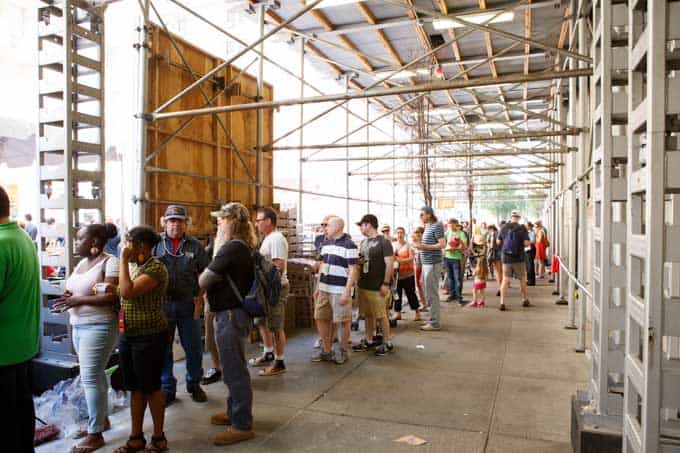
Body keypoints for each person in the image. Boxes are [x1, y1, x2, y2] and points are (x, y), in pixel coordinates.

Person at [53, 224, 120, 453]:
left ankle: (95, 435)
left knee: (90, 378)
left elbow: (112, 297)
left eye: (80, 238)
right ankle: (101, 420)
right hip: (79, 325)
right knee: (95, 375)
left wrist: (78, 301)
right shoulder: (82, 263)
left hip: (99, 326)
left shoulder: (109, 262)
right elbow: (79, 291)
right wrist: (69, 297)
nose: (75, 242)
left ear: (94, 243)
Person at [199, 202, 257, 446]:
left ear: (232, 221)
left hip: (230, 315)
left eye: (221, 219)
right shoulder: (245, 246)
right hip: (236, 314)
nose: (218, 223)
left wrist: (211, 276)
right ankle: (235, 413)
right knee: (235, 366)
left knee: (234, 370)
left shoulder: (231, 248)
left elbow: (204, 280)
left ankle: (242, 424)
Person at [115, 226, 169, 453]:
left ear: (143, 246)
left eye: (130, 242)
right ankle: (136, 437)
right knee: (135, 388)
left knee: (151, 387)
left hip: (150, 336)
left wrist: (121, 262)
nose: (126, 245)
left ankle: (159, 438)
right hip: (129, 334)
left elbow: (127, 292)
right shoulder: (134, 265)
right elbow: (122, 288)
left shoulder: (156, 268)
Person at [152, 205, 209, 405]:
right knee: (163, 348)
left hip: (188, 304)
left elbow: (205, 274)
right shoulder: (155, 245)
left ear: (186, 223)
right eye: (172, 220)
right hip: (162, 306)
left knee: (193, 347)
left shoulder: (195, 246)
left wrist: (199, 299)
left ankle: (194, 384)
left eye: (180, 220)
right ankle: (168, 388)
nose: (175, 224)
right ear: (164, 222)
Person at [0, 186, 40, 453]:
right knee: (20, 411)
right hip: (22, 346)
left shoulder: (1, 244)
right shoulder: (21, 237)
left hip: (3, 350)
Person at [249, 207, 290, 377]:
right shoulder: (266, 239)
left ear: (268, 221)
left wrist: (271, 290)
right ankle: (268, 353)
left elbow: (278, 266)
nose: (256, 223)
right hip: (263, 289)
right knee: (261, 322)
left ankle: (279, 362)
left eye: (259, 220)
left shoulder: (276, 239)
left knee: (275, 325)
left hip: (275, 288)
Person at [313, 216, 358, 364]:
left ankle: (343, 351)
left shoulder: (349, 245)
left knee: (343, 320)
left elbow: (353, 270)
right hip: (324, 287)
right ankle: (327, 350)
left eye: (328, 225)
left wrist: (347, 291)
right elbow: (322, 266)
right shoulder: (326, 243)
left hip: (340, 289)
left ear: (338, 227)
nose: (325, 228)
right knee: (320, 317)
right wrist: (318, 287)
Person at [351, 214, 395, 355]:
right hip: (364, 284)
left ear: (368, 225)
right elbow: (361, 260)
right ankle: (369, 340)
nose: (361, 228)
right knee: (368, 315)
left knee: (381, 315)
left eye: (362, 225)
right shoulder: (363, 243)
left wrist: (386, 283)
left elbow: (389, 264)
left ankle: (387, 342)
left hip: (378, 286)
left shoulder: (384, 242)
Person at [413, 206, 446, 331]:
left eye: (422, 214)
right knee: (428, 291)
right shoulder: (428, 226)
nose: (420, 217)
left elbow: (442, 244)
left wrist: (424, 247)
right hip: (427, 263)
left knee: (432, 293)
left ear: (429, 215)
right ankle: (432, 319)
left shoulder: (437, 225)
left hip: (432, 263)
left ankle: (434, 322)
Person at [201, 216, 224, 385]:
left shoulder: (239, 245)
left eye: (222, 220)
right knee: (210, 336)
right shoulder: (213, 246)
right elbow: (203, 268)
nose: (219, 224)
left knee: (231, 337)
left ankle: (232, 368)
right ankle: (217, 367)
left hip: (233, 300)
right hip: (212, 297)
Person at [497, 211, 531, 311]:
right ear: (518, 218)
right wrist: (527, 243)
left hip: (506, 258)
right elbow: (526, 243)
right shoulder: (522, 228)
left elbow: (498, 242)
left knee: (505, 279)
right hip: (519, 258)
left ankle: (502, 302)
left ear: (510, 217)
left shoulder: (504, 227)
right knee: (522, 279)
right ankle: (524, 299)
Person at [392, 226, 420, 322]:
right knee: (397, 295)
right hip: (397, 275)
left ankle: (417, 312)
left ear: (404, 234)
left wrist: (400, 260)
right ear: (395, 234)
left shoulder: (408, 245)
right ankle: (397, 313)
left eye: (401, 232)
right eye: (398, 232)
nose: (399, 235)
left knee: (411, 294)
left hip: (408, 274)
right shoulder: (393, 245)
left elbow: (411, 258)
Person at [443, 219, 467, 304]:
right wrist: (447, 249)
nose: (451, 227)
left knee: (457, 278)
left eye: (453, 225)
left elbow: (464, 246)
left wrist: (456, 248)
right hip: (447, 257)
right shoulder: (447, 232)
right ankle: (452, 295)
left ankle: (459, 296)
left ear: (457, 225)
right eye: (449, 225)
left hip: (457, 258)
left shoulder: (461, 233)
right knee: (450, 278)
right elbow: (443, 243)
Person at [411, 227, 427, 310]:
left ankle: (427, 303)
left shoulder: (426, 242)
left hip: (425, 265)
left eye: (420, 233)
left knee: (424, 283)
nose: (418, 235)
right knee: (418, 284)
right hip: (417, 265)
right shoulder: (413, 243)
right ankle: (424, 304)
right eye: (416, 233)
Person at [486, 224, 503, 296]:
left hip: (495, 254)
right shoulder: (499, 233)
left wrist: (489, 244)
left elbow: (492, 245)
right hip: (501, 254)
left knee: (498, 272)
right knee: (500, 272)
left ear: (491, 229)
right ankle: (502, 287)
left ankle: (501, 288)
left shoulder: (493, 234)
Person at [524, 221, 537, 286]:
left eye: (526, 225)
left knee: (530, 265)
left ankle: (532, 281)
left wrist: (525, 242)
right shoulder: (526, 233)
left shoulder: (532, 232)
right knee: (527, 266)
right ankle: (529, 280)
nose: (525, 227)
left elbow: (533, 241)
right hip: (526, 250)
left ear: (529, 226)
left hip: (530, 250)